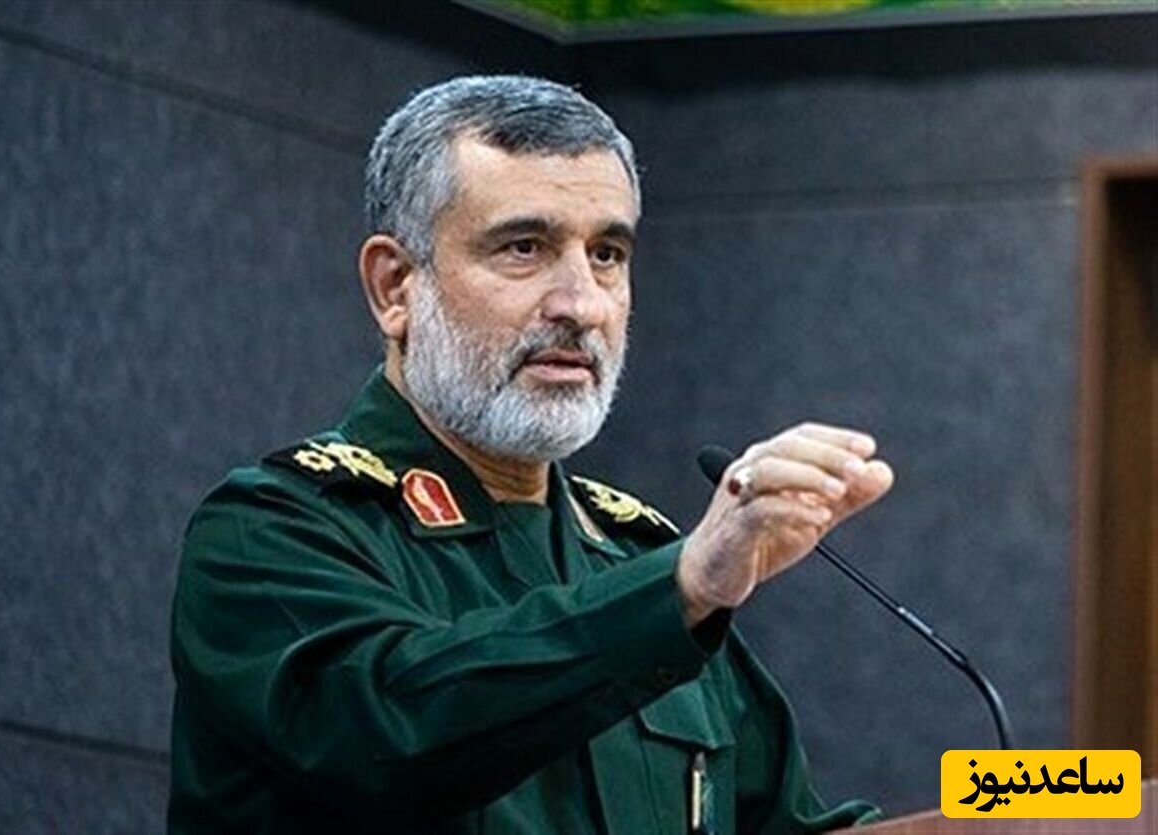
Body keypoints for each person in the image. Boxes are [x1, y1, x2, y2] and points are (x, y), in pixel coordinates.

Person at [168, 75, 895, 834]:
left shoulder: (633, 559)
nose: (581, 303)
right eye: (524, 248)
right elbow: (394, 732)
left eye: (607, 254)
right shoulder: (270, 533)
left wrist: (991, 788)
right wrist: (679, 590)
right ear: (395, 286)